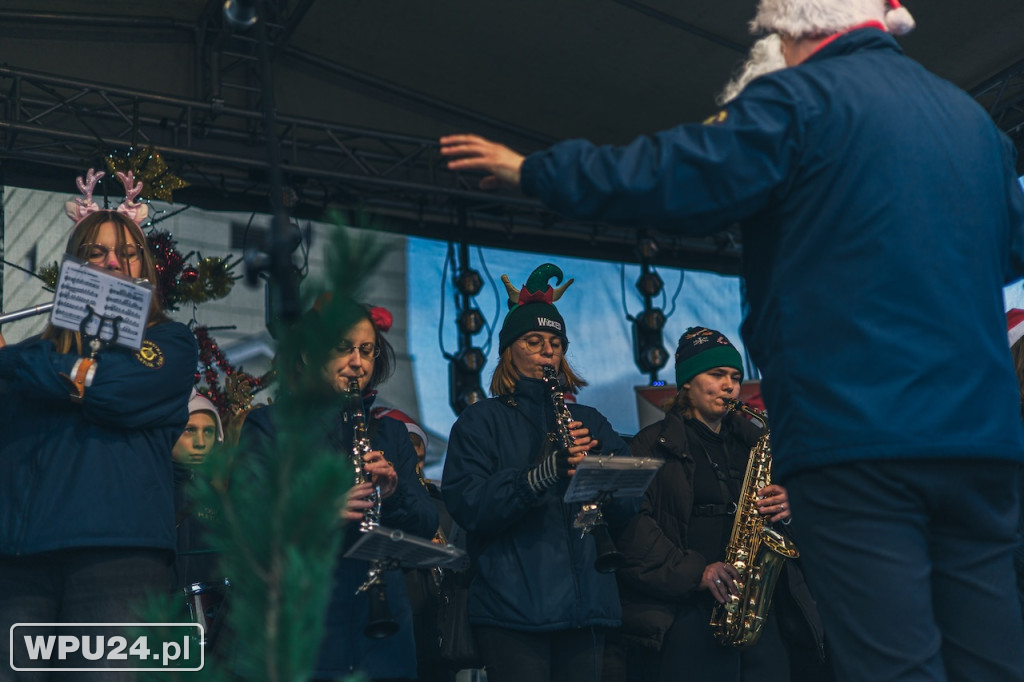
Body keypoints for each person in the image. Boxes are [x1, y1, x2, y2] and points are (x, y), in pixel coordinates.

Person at [439, 1, 1024, 679]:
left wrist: (535, 173)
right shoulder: (971, 121)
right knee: (992, 657)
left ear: (798, 26)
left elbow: (676, 174)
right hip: (978, 441)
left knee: (895, 663)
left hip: (861, 437)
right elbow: (1008, 250)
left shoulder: (800, 98)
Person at [0, 170, 199, 678]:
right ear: (72, 268)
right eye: (96, 253)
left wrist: (20, 364)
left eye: (128, 254)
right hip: (20, 566)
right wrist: (65, 372)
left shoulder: (171, 344)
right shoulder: (29, 357)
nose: (113, 262)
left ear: (145, 271)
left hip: (118, 564)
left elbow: (113, 391)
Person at [441, 262, 632, 682]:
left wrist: (600, 475)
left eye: (556, 342)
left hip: (589, 610)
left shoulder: (592, 420)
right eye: (533, 340)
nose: (548, 350)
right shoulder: (480, 421)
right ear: (509, 350)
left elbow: (634, 502)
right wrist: (538, 477)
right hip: (514, 613)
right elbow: (468, 503)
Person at [605, 327, 829, 682]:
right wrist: (696, 573)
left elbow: (818, 515)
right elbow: (630, 528)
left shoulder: (757, 445)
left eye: (736, 377)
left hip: (757, 606)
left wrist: (792, 504)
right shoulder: (649, 445)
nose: (730, 386)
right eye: (717, 375)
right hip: (687, 610)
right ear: (687, 384)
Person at [241, 301, 438, 681]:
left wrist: (393, 493)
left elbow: (427, 522)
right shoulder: (271, 426)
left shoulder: (391, 432)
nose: (358, 363)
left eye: (366, 350)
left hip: (383, 634)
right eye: (342, 348)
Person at [171, 390, 229, 641]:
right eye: (189, 430)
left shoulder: (228, 494)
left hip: (221, 622)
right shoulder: (154, 488)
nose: (200, 442)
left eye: (208, 432)